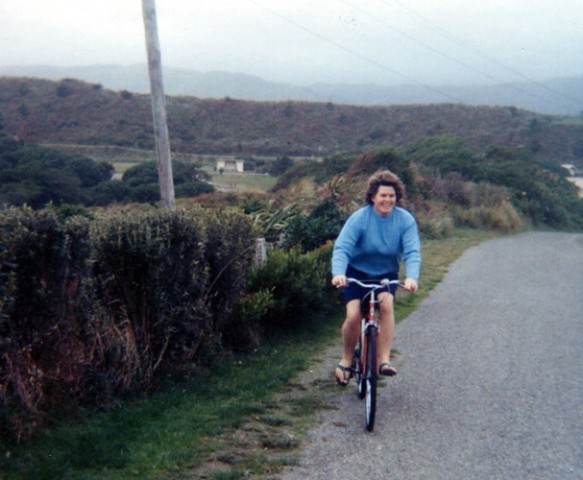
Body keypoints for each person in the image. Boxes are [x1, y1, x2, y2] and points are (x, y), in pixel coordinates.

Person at [331, 170, 421, 385]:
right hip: (356, 272)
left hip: (385, 274)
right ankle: (346, 359)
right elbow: (342, 248)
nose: (387, 200)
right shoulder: (360, 218)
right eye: (383, 195)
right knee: (353, 315)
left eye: (391, 196)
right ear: (373, 197)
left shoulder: (405, 220)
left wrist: (412, 277)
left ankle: (384, 360)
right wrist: (339, 274)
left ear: (396, 198)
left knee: (386, 305)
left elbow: (412, 252)